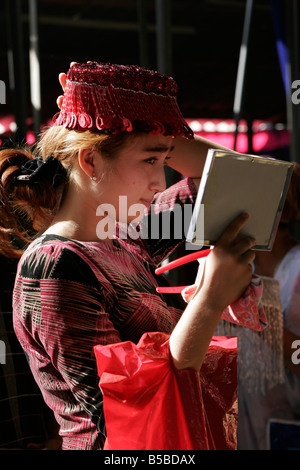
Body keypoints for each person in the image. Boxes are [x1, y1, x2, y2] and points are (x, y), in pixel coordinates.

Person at [0, 61, 257, 450]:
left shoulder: (125, 237)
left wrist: (143, 119)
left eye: (166, 159)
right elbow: (130, 412)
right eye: (151, 160)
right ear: (90, 160)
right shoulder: (52, 267)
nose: (160, 181)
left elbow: (246, 177)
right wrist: (209, 300)